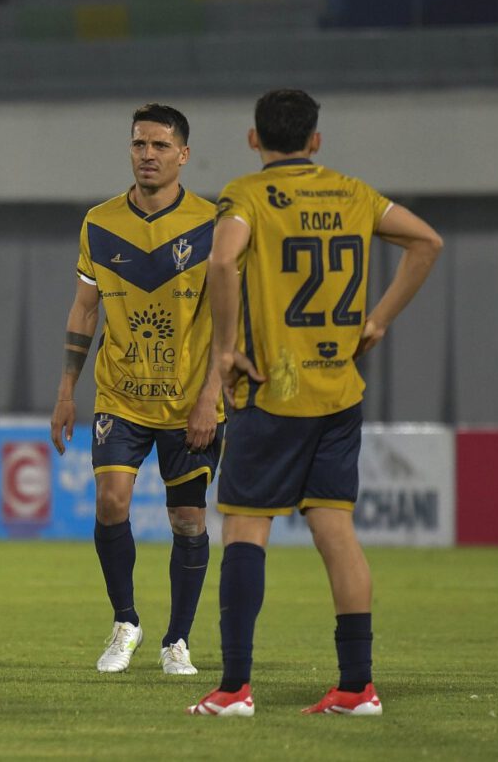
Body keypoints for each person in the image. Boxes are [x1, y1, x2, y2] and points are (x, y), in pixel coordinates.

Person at [185, 89, 443, 716]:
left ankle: (235, 687)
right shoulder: (354, 193)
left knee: (246, 528)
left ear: (255, 139)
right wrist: (377, 320)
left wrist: (224, 349)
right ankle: (357, 687)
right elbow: (427, 242)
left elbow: (222, 259)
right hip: (337, 391)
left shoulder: (248, 194)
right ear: (316, 141)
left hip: (274, 390)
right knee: (337, 533)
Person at [51, 104, 225, 676]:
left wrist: (210, 396)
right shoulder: (100, 224)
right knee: (109, 502)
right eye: (138, 144)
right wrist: (66, 389)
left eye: (159, 145)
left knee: (188, 523)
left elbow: (231, 319)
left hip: (189, 402)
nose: (147, 154)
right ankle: (126, 621)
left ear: (183, 154)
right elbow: (84, 309)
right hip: (120, 396)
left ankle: (177, 640)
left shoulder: (212, 224)